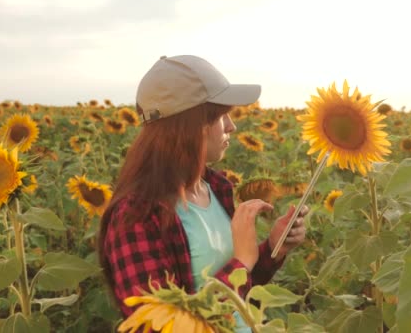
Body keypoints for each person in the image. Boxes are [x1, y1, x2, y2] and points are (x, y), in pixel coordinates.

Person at [97, 55, 308, 331]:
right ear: (191, 126)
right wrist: (242, 260)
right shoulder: (136, 216)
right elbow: (155, 327)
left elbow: (241, 289)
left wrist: (272, 249)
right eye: (222, 116)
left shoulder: (217, 188)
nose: (231, 126)